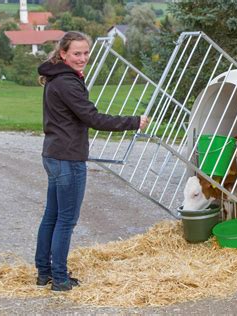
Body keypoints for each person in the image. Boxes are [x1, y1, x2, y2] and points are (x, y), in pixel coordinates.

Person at [35, 31, 149, 292]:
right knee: (65, 220)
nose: (83, 58)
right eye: (77, 53)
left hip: (53, 154)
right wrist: (133, 122)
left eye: (86, 53)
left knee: (51, 216)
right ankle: (60, 279)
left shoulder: (57, 76)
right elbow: (93, 118)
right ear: (63, 53)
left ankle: (44, 273)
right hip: (67, 158)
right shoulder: (67, 82)